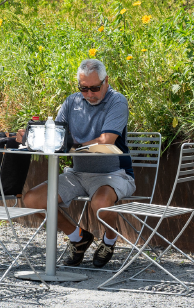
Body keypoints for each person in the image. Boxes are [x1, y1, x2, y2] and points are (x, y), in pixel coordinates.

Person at [17, 58, 135, 268]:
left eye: (95, 88)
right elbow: (58, 134)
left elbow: (106, 141)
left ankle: (108, 240)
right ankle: (78, 237)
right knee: (32, 199)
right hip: (78, 173)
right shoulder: (72, 102)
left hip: (114, 173)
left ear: (106, 81)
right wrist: (30, 136)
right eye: (84, 88)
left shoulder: (117, 101)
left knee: (99, 203)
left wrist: (70, 147)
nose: (89, 94)